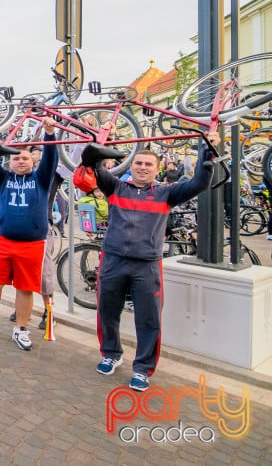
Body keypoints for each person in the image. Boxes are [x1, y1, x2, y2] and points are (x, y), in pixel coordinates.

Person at [79, 135, 216, 392]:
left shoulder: (167, 193)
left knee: (148, 319)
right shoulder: (116, 187)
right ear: (131, 167)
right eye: (138, 163)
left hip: (147, 266)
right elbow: (93, 165)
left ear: (157, 169)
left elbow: (199, 183)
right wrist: (99, 147)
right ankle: (111, 353)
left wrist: (207, 151)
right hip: (113, 260)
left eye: (148, 165)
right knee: (107, 311)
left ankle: (142, 369)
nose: (142, 167)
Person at [0, 118, 58, 351]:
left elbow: (51, 159)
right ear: (9, 162)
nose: (20, 161)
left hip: (32, 244)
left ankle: (21, 329)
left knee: (25, 288)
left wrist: (49, 134)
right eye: (16, 158)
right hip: (2, 241)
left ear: (32, 161)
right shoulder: (3, 178)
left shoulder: (41, 178)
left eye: (25, 158)